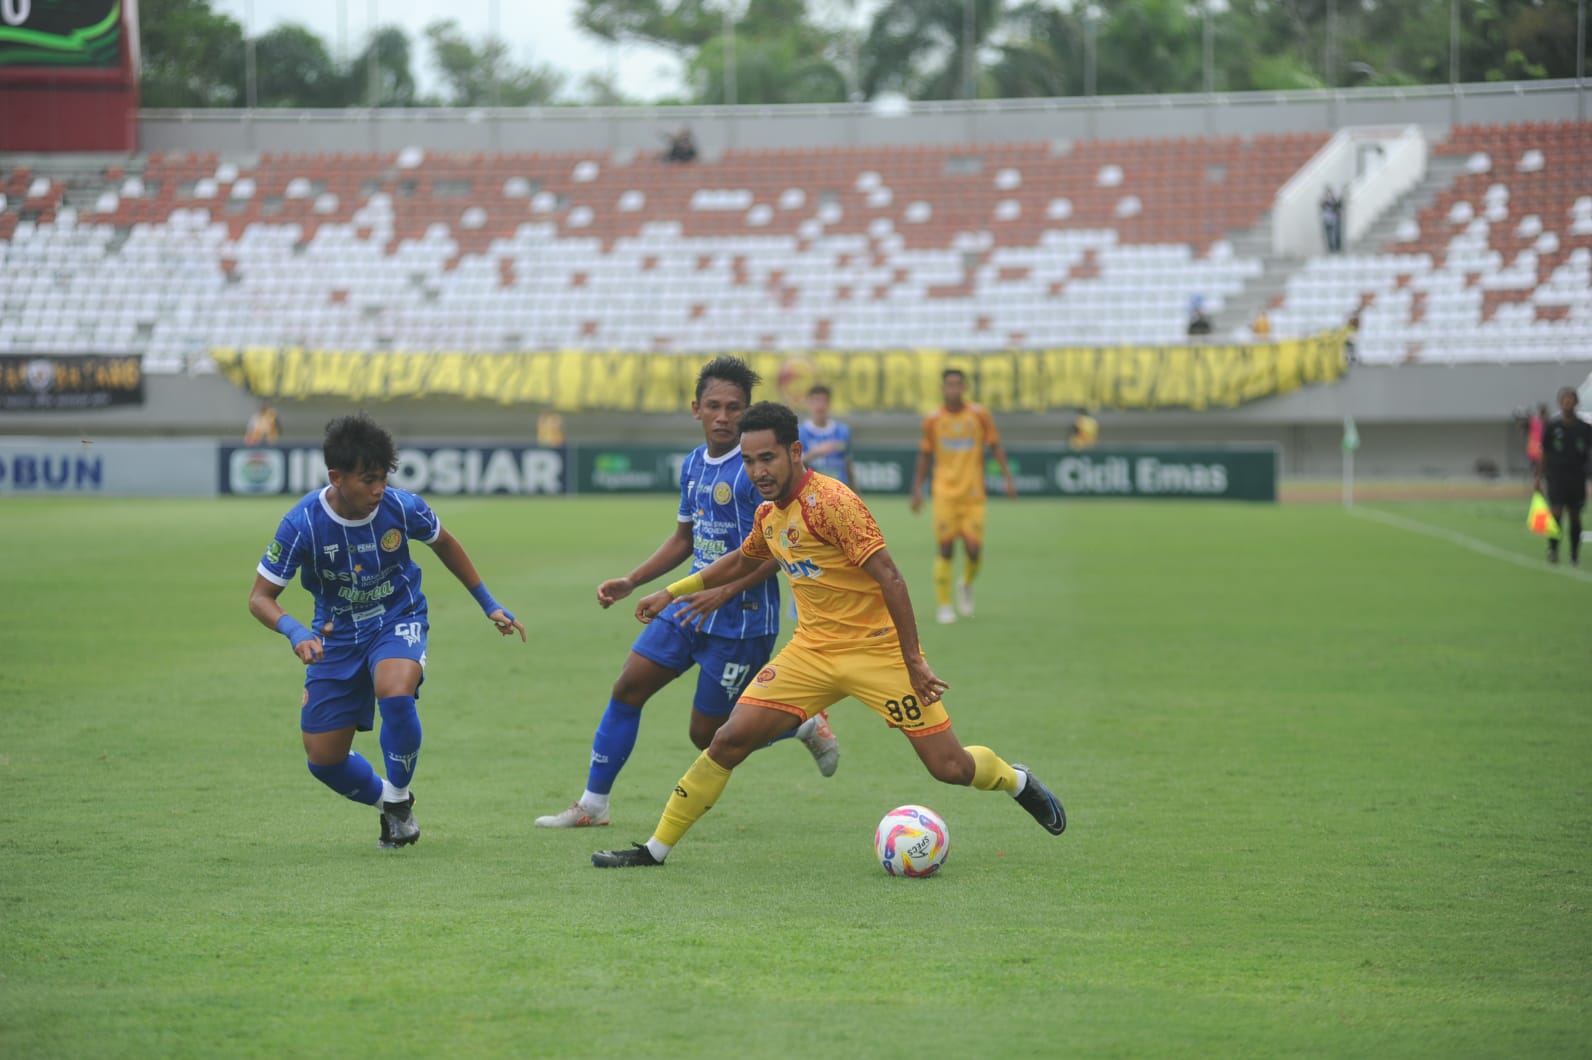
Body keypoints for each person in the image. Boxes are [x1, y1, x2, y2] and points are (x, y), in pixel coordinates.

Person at [591, 401, 1066, 869]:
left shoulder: (833, 503)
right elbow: (742, 560)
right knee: (727, 740)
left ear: (795, 452)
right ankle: (654, 850)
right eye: (750, 460)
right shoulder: (769, 515)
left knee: (951, 769)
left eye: (767, 458)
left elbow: (891, 577)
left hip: (879, 653)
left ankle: (1015, 780)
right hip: (811, 654)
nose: (758, 470)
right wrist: (671, 592)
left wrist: (914, 661)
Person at [535, 356, 839, 830]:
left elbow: (778, 551)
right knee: (628, 686)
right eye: (714, 406)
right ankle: (593, 805)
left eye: (734, 407)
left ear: (747, 410)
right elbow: (685, 539)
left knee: (707, 735)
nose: (723, 417)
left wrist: (723, 593)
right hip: (689, 607)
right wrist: (633, 580)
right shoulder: (695, 463)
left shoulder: (755, 471)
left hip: (742, 621)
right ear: (696, 408)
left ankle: (798, 723)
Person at [247, 413, 525, 848]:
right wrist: (295, 630)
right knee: (324, 761)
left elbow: (445, 543)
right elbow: (260, 597)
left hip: (399, 617)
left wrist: (489, 603)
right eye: (368, 479)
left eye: (383, 478)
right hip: (334, 638)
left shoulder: (401, 507)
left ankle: (396, 799)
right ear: (336, 477)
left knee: (394, 690)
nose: (379, 489)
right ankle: (394, 805)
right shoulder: (301, 523)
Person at [909, 368, 1017, 625]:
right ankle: (944, 606)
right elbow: (925, 455)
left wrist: (1008, 478)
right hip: (944, 493)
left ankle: (965, 584)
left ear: (965, 387)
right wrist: (917, 489)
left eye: (958, 384)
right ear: (942, 388)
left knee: (973, 550)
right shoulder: (933, 420)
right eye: (949, 385)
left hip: (973, 494)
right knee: (945, 548)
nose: (953, 389)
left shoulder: (979, 415)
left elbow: (995, 446)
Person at [1536, 387, 1592, 566]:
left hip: (1577, 476)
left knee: (1575, 515)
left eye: (1570, 399)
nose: (1567, 402)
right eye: (1564, 399)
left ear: (1576, 402)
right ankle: (1553, 550)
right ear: (1560, 403)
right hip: (1556, 476)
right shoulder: (1553, 427)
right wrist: (1538, 476)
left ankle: (1574, 554)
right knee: (1556, 513)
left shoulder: (1585, 428)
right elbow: (1544, 452)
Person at [799, 384, 854, 487]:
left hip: (839, 490)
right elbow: (795, 466)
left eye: (824, 401)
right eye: (816, 401)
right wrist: (816, 452)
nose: (820, 406)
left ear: (829, 403)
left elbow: (848, 464)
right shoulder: (800, 432)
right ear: (808, 403)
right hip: (813, 490)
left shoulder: (843, 431)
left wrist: (856, 493)